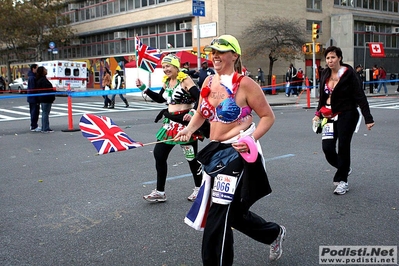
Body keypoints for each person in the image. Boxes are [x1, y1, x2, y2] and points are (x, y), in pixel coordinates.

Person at [175, 35, 286, 265]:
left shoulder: (245, 84)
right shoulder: (207, 82)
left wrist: (251, 140)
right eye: (212, 51)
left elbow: (267, 117)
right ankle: (273, 233)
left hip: (237, 152)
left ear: (234, 55)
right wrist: (188, 129)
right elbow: (201, 113)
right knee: (232, 214)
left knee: (219, 213)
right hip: (215, 152)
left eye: (221, 51)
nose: (215, 56)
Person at [136, 54, 209, 202]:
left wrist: (193, 111)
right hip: (169, 124)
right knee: (159, 155)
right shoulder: (167, 81)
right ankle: (160, 192)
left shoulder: (185, 79)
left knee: (191, 158)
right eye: (163, 67)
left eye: (168, 66)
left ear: (176, 66)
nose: (165, 69)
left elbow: (200, 97)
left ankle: (199, 189)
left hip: (185, 124)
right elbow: (160, 99)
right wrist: (144, 87)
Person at [312, 46, 374, 195]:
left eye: (333, 57)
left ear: (339, 58)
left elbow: (360, 95)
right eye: (327, 58)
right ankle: (344, 167)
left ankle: (343, 181)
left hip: (347, 114)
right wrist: (317, 113)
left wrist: (368, 118)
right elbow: (322, 96)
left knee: (344, 146)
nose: (330, 60)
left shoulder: (348, 73)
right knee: (327, 148)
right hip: (328, 115)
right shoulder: (325, 73)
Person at [35, 66, 56, 133]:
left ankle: (45, 127)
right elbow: (46, 89)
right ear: (42, 71)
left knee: (45, 113)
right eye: (45, 70)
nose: (46, 70)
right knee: (45, 113)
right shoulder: (43, 80)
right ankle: (45, 128)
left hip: (44, 98)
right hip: (46, 98)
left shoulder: (41, 79)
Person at [27, 64, 41, 132]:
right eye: (37, 68)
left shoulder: (32, 76)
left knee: (34, 112)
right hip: (33, 98)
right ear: (33, 68)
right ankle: (33, 126)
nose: (37, 70)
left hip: (32, 97)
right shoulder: (32, 77)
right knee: (34, 112)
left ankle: (34, 125)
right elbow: (33, 88)